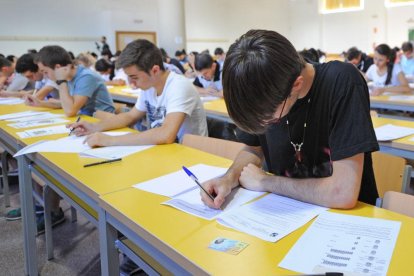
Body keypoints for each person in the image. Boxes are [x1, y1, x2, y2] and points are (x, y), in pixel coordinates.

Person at [201, 29, 379, 210]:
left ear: (296, 85)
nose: (265, 125)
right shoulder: (263, 89)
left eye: (270, 121)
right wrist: (228, 178)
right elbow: (253, 148)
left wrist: (266, 182)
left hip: (346, 220)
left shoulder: (341, 81)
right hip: (286, 214)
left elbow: (342, 194)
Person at [68, 39, 208, 147]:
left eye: (134, 77)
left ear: (154, 70)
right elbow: (130, 116)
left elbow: (166, 134)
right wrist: (94, 127)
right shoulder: (149, 86)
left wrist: (111, 140)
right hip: (163, 150)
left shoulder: (178, 86)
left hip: (189, 155)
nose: (132, 84)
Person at [25, 45, 115, 115]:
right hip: (87, 118)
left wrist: (61, 81)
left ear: (58, 67)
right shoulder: (69, 77)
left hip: (102, 121)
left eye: (45, 71)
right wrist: (40, 103)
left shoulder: (86, 77)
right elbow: (68, 105)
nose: (46, 76)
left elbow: (70, 111)